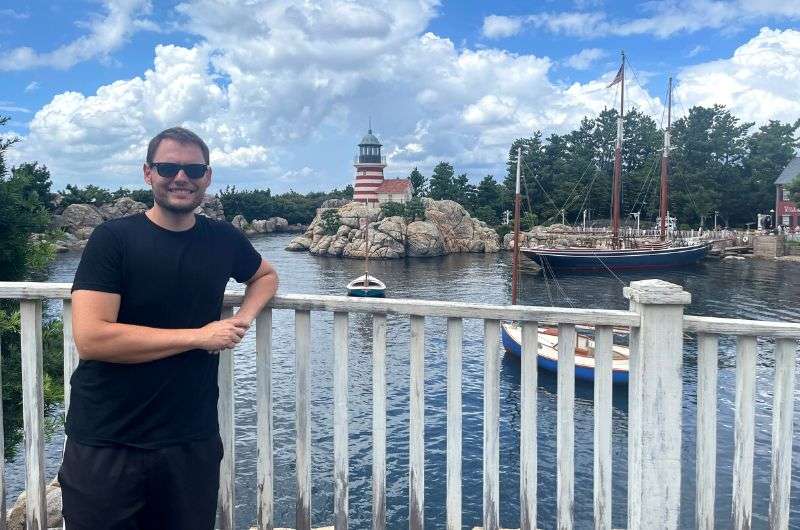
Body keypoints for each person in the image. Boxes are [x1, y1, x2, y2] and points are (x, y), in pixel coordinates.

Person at [59, 127, 278, 529]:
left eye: (194, 168)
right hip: (108, 439)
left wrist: (242, 319)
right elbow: (91, 338)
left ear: (207, 177)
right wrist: (200, 336)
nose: (182, 177)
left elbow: (264, 276)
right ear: (148, 173)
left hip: (189, 439)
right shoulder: (114, 239)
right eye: (168, 167)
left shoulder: (223, 239)